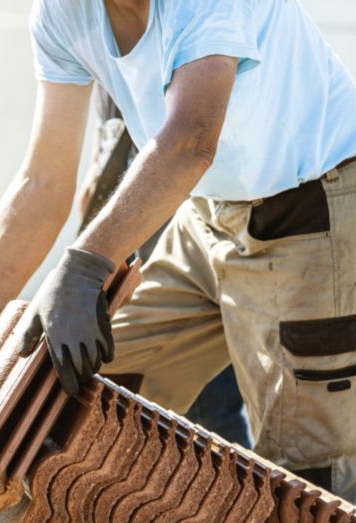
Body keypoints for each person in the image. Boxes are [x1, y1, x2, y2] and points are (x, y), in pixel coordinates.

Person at [0, 0, 356, 503]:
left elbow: (191, 139)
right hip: (208, 212)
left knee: (306, 487)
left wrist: (82, 268)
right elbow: (44, 177)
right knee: (82, 398)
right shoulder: (63, 12)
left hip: (313, 209)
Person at [79, 85, 251, 448]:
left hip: (193, 289)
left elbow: (193, 149)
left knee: (207, 440)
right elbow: (99, 178)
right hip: (141, 292)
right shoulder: (107, 74)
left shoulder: (179, 52)